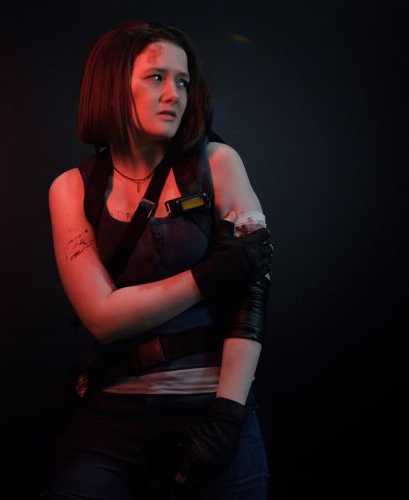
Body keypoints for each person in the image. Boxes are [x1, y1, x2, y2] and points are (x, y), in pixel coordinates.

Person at [45, 21, 273, 499]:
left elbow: (251, 295)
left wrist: (228, 417)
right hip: (109, 421)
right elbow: (102, 318)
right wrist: (208, 276)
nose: (174, 94)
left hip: (212, 410)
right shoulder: (71, 189)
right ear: (113, 85)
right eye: (156, 77)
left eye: (183, 82)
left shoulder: (219, 163)